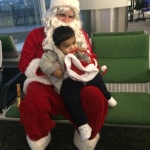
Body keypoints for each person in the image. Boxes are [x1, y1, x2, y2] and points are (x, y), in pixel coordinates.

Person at [18, 0, 109, 149]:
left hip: (77, 84)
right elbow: (24, 63)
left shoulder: (81, 36)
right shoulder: (36, 35)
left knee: (96, 96)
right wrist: (47, 68)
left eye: (71, 16)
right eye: (62, 15)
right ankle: (39, 136)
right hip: (46, 84)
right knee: (34, 99)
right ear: (53, 14)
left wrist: (83, 60)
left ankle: (86, 137)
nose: (66, 20)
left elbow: (92, 58)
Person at [39, 26, 117, 142]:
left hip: (81, 75)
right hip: (68, 79)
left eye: (74, 43)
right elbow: (43, 63)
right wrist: (54, 71)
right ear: (58, 46)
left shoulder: (78, 48)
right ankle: (83, 125)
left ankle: (107, 96)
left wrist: (82, 55)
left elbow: (87, 62)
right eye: (67, 46)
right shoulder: (52, 52)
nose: (72, 47)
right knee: (70, 98)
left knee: (96, 77)